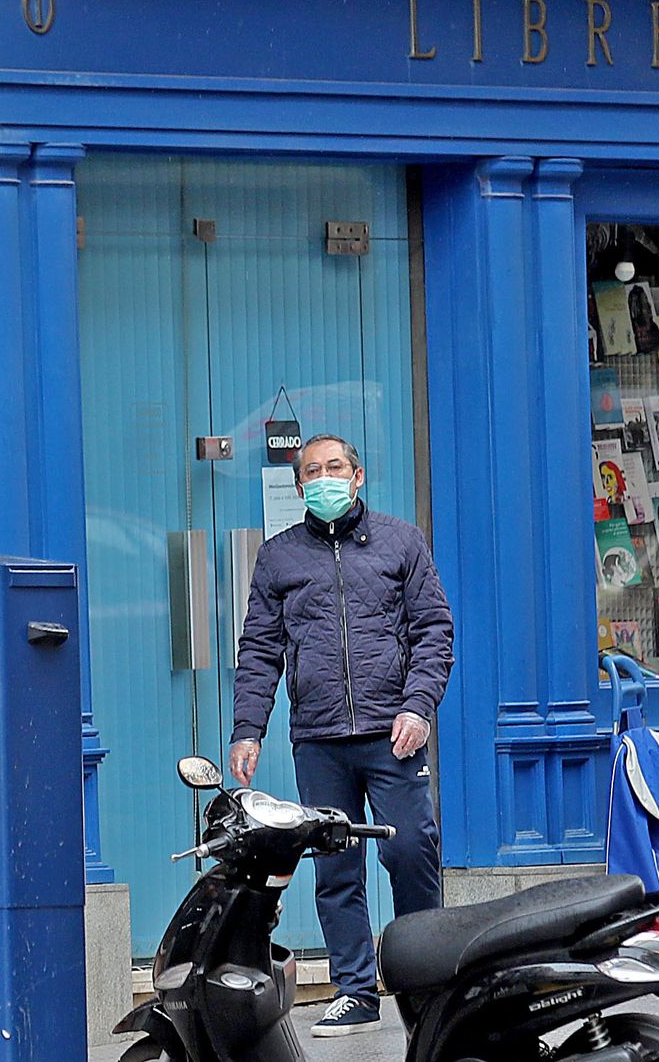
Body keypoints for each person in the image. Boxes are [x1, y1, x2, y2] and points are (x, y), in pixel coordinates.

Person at [230, 433, 453, 1037]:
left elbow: (434, 631)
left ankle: (427, 986)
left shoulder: (401, 542)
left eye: (336, 467)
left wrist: (418, 706)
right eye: (313, 471)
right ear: (299, 487)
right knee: (336, 868)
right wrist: (248, 728)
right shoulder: (279, 557)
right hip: (319, 737)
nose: (325, 478)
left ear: (358, 477)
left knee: (411, 852)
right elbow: (260, 648)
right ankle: (356, 990)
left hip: (393, 732)